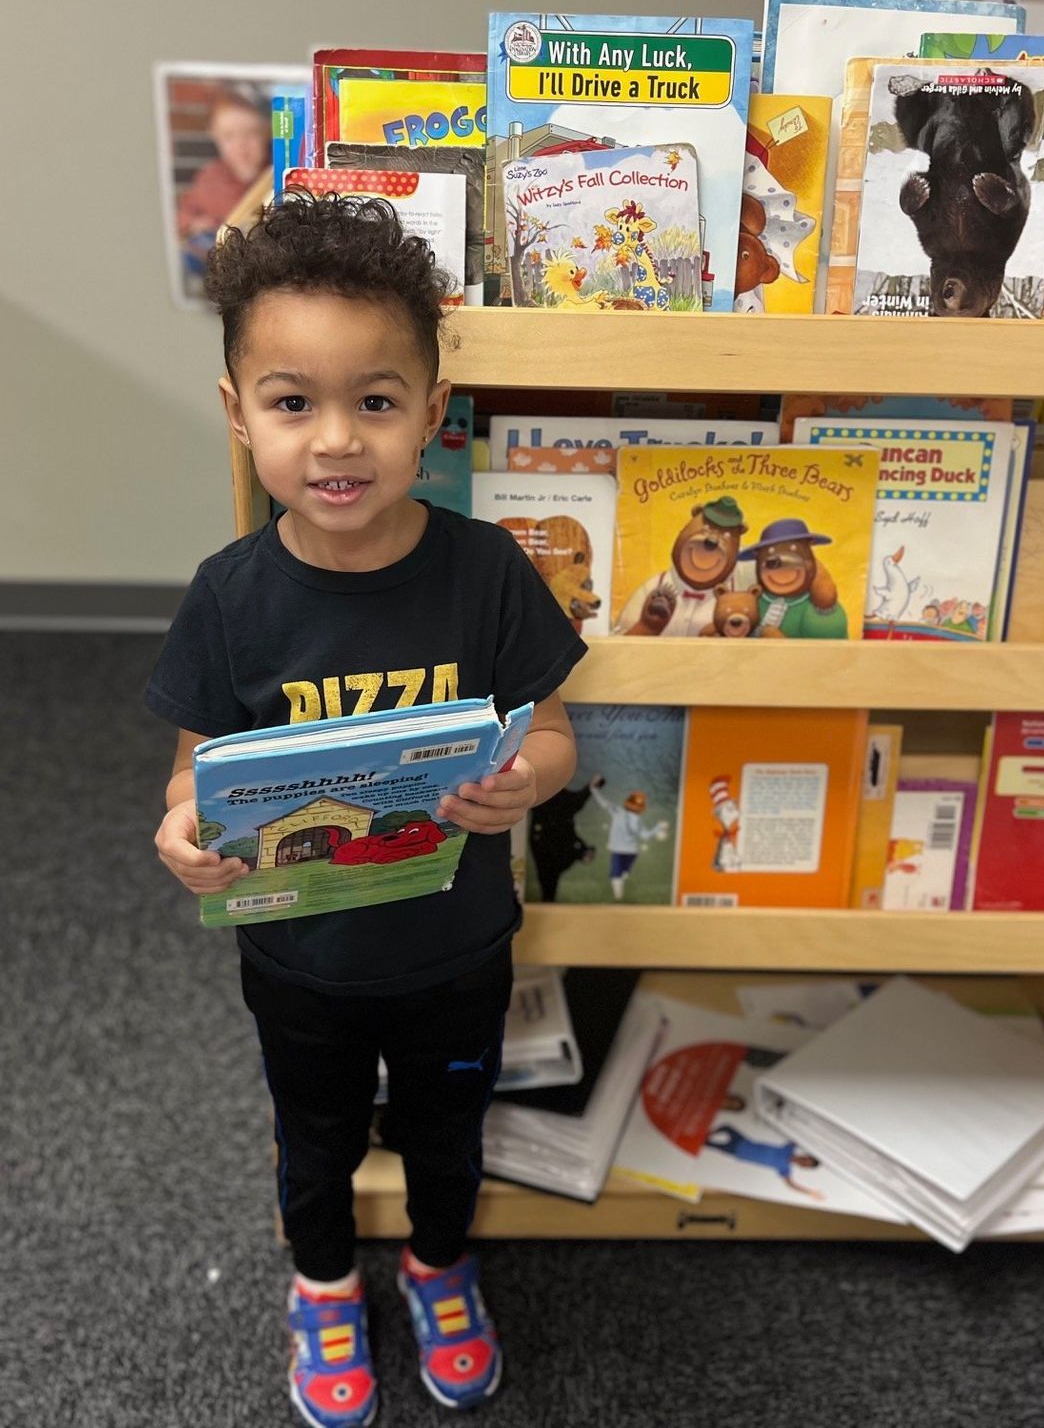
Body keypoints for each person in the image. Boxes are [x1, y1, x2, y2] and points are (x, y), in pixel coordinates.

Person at [145, 192, 584, 1428]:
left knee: (449, 1135)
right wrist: (181, 832)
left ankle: (442, 1272)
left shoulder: (487, 573)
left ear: (433, 414)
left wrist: (525, 783)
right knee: (315, 1140)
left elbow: (553, 735)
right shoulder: (229, 598)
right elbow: (193, 773)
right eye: (293, 404)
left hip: (455, 947)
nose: (336, 442)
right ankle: (325, 1283)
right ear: (238, 414)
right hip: (301, 955)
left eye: (376, 402)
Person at [178, 87, 273, 274]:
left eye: (251, 133)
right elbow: (185, 213)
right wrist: (193, 223)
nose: (241, 145)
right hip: (222, 253)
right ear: (216, 138)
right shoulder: (209, 177)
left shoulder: (274, 174)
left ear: (266, 133)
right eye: (229, 137)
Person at [585, 778, 669, 900]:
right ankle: (618, 895)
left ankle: (619, 891)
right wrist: (593, 790)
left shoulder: (628, 816)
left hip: (627, 851)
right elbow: (604, 803)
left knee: (620, 874)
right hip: (623, 850)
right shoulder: (621, 813)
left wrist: (657, 828)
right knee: (618, 874)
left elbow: (644, 835)